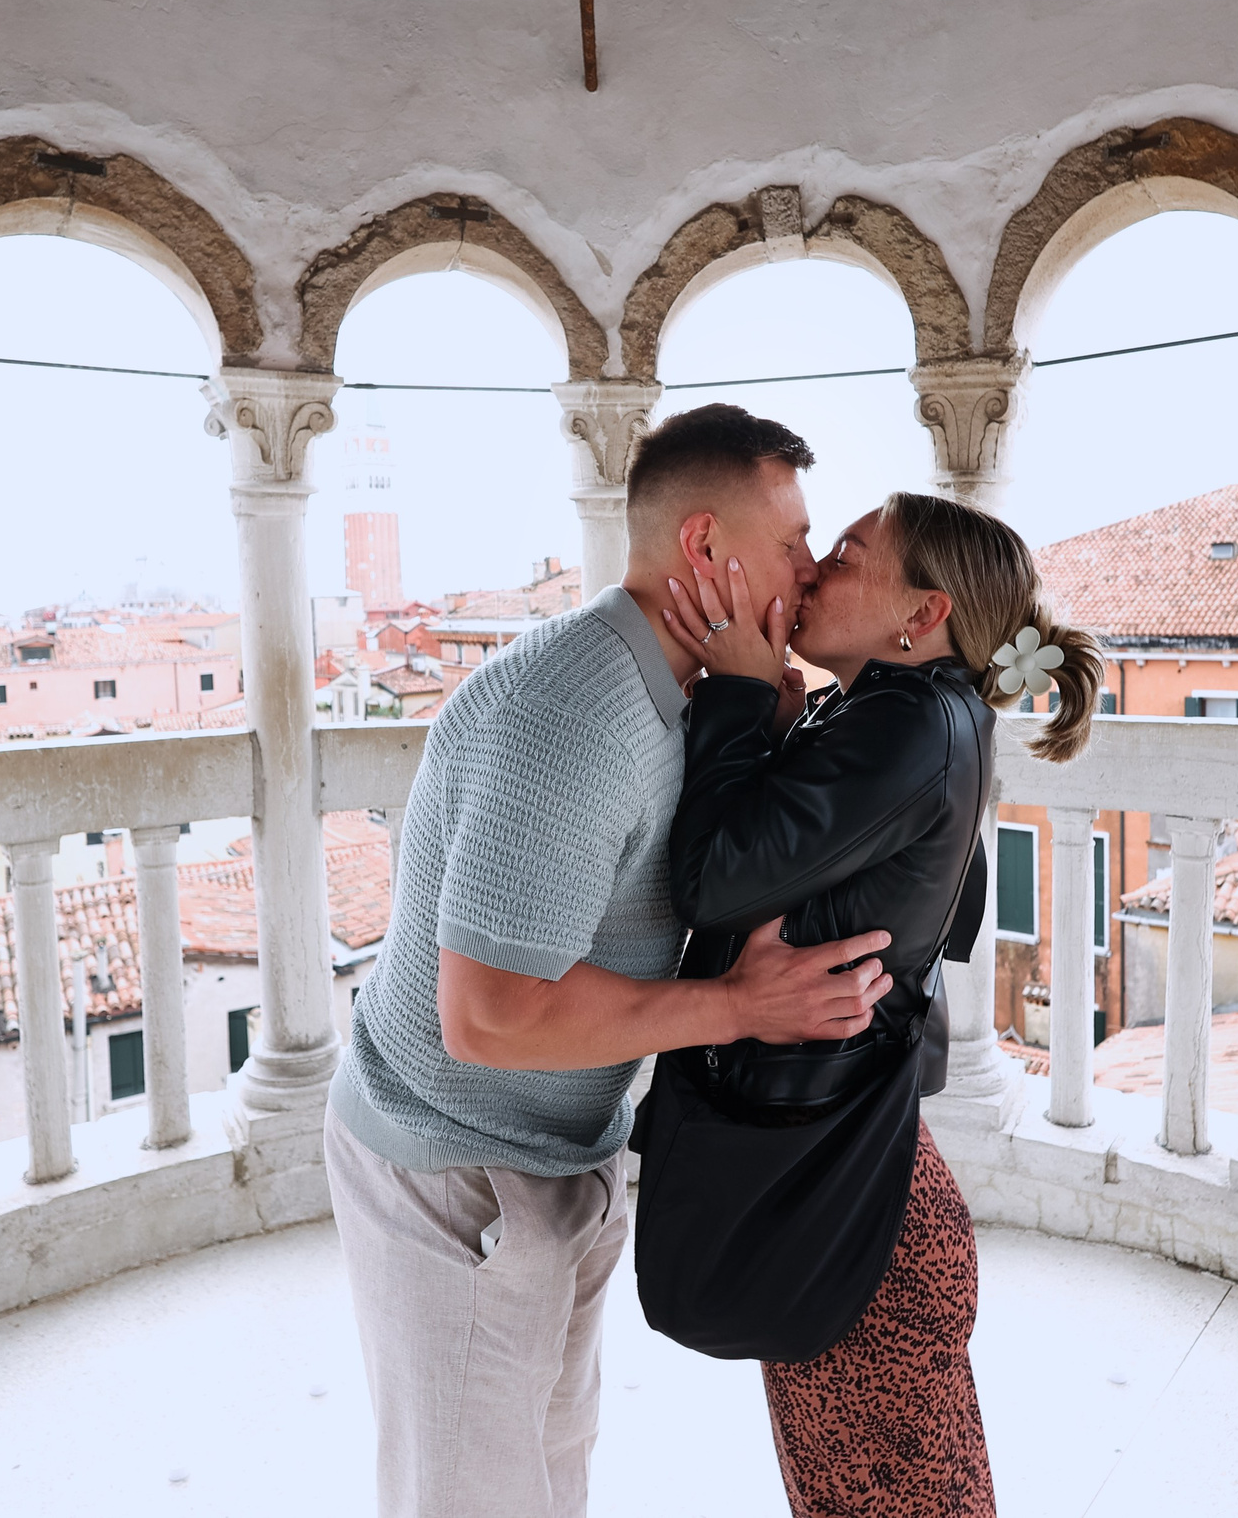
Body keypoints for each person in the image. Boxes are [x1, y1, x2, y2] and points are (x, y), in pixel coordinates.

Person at [324, 403, 898, 1518]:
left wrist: (762, 718)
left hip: (555, 1154)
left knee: (546, 1479)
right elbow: (485, 1018)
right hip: (456, 1176)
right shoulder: (571, 714)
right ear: (702, 547)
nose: (811, 567)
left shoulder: (688, 693)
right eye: (791, 543)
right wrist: (736, 1007)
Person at [635, 490, 1103, 1518]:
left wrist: (736, 696)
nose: (813, 571)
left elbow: (711, 880)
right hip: (853, 1199)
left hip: (855, 1233)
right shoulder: (915, 713)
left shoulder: (907, 724)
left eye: (845, 555)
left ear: (921, 616)